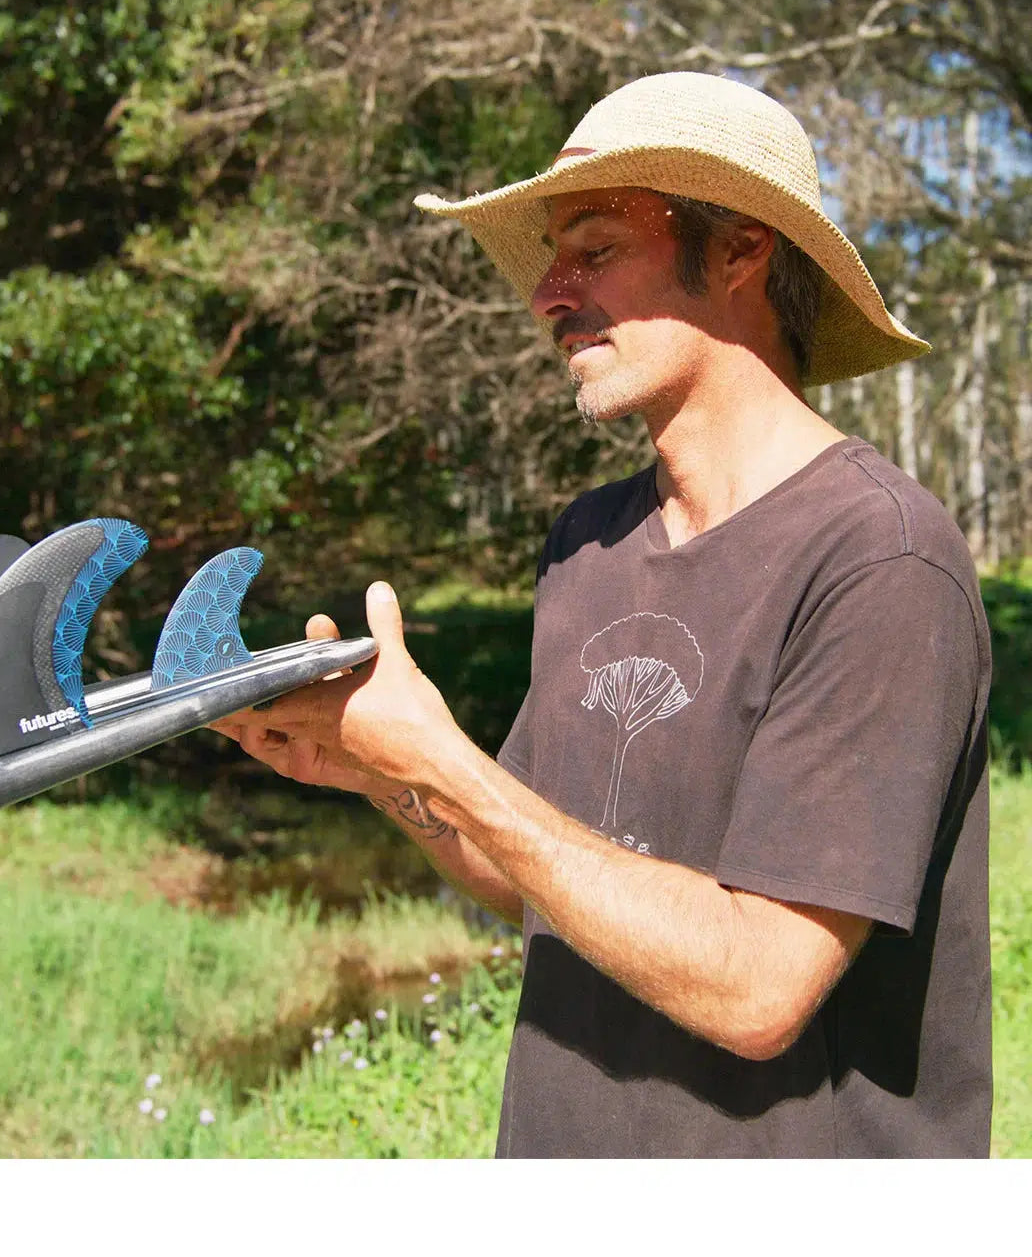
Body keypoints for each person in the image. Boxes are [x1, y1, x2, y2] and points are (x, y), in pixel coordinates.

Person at [212, 72, 992, 1158]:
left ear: (739, 250)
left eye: (594, 248)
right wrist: (377, 766)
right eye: (551, 258)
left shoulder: (879, 559)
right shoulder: (589, 541)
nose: (547, 295)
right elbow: (531, 869)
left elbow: (760, 987)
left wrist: (448, 761)